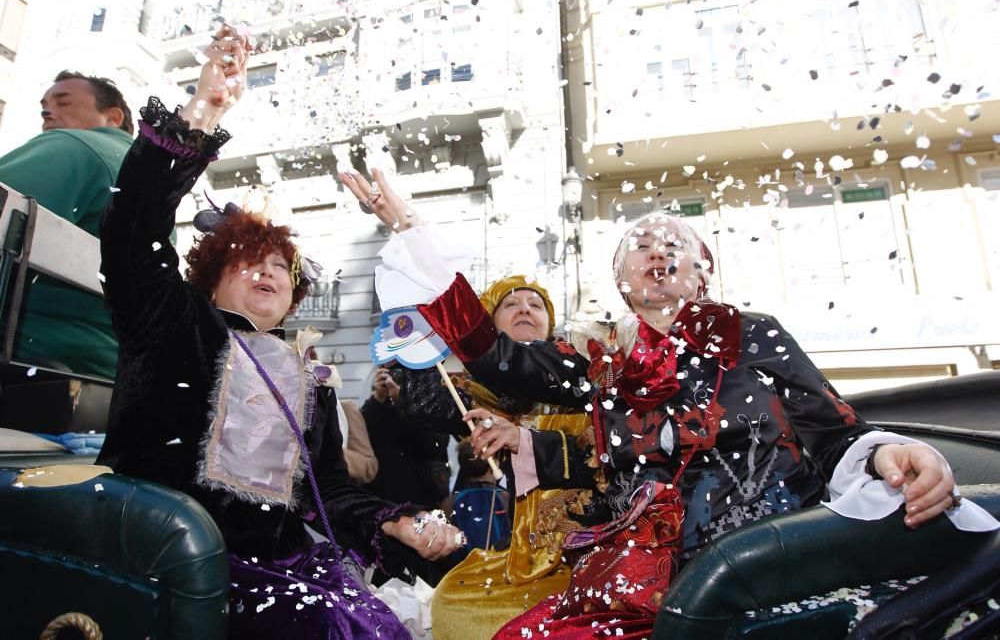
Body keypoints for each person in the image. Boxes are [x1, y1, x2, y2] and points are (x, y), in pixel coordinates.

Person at [340, 169, 999, 639]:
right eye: (640, 246)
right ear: (623, 286)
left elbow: (834, 436)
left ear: (702, 271)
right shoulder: (602, 364)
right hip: (629, 583)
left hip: (767, 570)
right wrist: (409, 227)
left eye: (674, 243)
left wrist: (894, 452)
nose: (658, 248)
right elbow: (495, 355)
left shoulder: (753, 332)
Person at [96, 28, 463, 638]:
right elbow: (132, 233)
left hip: (289, 562)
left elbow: (330, 493)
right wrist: (202, 112)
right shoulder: (172, 318)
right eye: (247, 257)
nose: (267, 268)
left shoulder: (306, 376)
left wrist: (395, 523)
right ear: (211, 276)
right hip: (170, 555)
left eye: (280, 266)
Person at [391, 274, 600, 639]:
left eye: (535, 305)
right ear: (487, 325)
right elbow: (423, 407)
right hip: (525, 559)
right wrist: (415, 342)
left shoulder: (581, 369)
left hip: (594, 549)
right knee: (452, 605)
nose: (524, 309)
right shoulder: (482, 396)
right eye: (511, 304)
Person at [0, 70, 134, 378]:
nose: (48, 111)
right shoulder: (147, 178)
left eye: (64, 102)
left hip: (30, 353)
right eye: (44, 105)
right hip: (103, 366)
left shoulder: (75, 146)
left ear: (112, 117)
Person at [362, 366, 452, 509]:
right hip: (383, 497)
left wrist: (405, 402)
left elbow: (433, 446)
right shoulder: (377, 407)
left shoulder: (428, 406)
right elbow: (361, 435)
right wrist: (377, 398)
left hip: (422, 496)